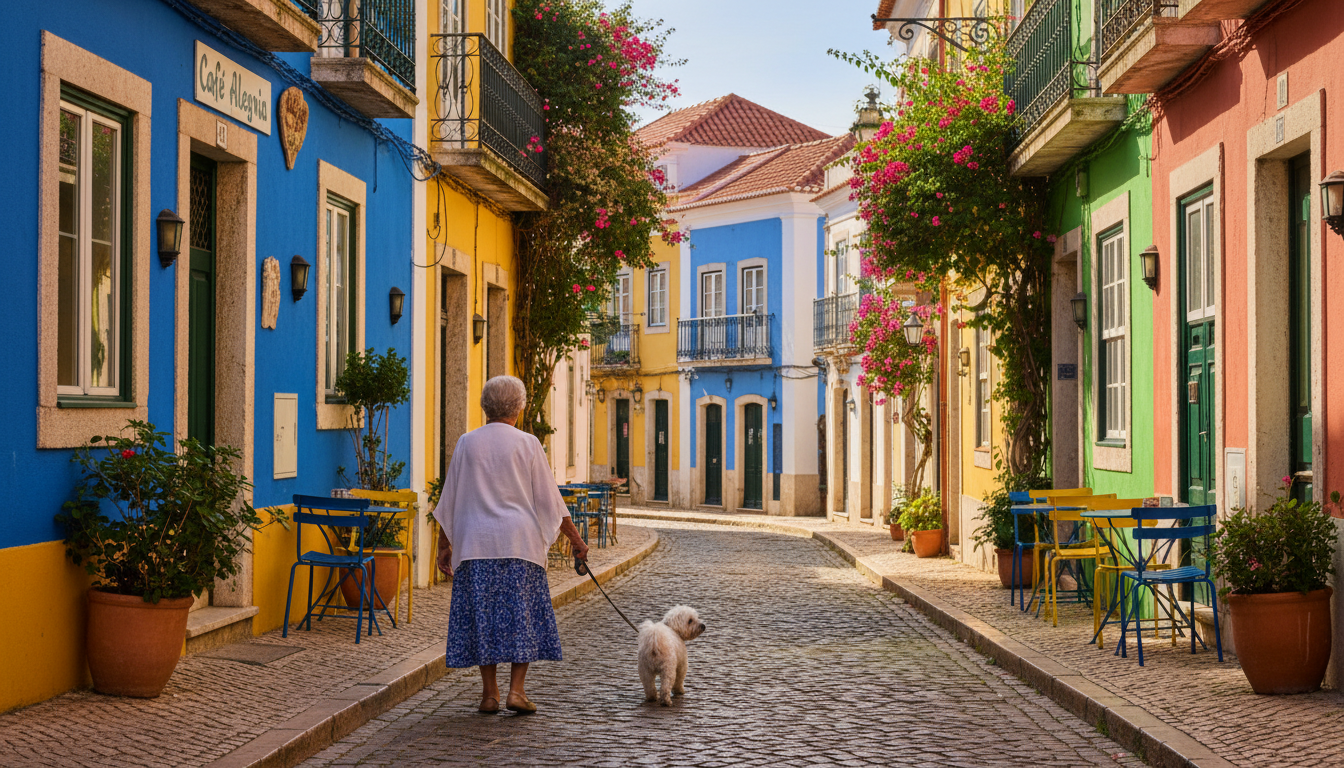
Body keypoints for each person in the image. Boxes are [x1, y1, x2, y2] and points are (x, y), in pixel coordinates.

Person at [433, 375, 590, 714]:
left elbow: (450, 499)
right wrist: (576, 541)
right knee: (524, 619)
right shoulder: (528, 443)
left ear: (484, 407)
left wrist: (444, 545)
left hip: (476, 545)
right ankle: (516, 692)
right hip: (520, 545)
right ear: (519, 408)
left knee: (482, 618)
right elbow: (551, 502)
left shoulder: (466, 443)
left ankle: (489, 694)